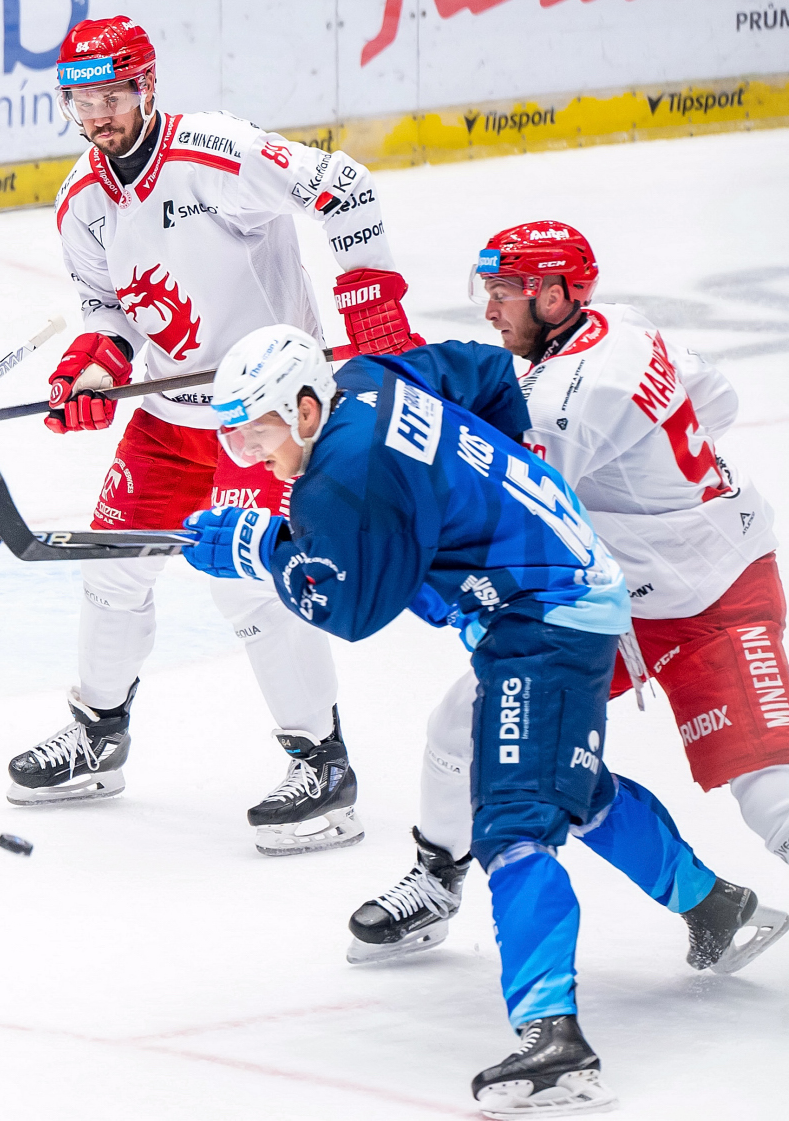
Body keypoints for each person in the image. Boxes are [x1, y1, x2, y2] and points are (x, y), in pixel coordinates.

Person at [179, 325, 783, 1117]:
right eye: (233, 436)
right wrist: (508, 477)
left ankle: (556, 1041)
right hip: (550, 589)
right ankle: (713, 906)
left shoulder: (345, 473)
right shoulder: (368, 377)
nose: (247, 453)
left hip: (548, 614)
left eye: (254, 432)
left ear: (302, 408)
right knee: (562, 781)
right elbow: (488, 369)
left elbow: (353, 610)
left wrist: (266, 552)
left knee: (515, 824)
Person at [6, 14, 423, 858]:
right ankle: (98, 734)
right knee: (110, 568)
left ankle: (323, 766)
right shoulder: (82, 201)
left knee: (248, 584)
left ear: (147, 87)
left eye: (113, 96)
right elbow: (109, 308)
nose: (98, 115)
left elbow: (344, 186)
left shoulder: (217, 152)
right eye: (82, 101)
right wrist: (95, 364)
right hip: (170, 421)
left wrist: (371, 299)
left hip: (266, 417)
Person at [347, 220, 787, 962]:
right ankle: (437, 879)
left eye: (503, 293)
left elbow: (513, 508)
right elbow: (720, 400)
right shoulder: (625, 326)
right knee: (464, 727)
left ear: (553, 298)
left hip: (716, 595)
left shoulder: (561, 403)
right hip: (616, 600)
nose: (490, 310)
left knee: (771, 792)